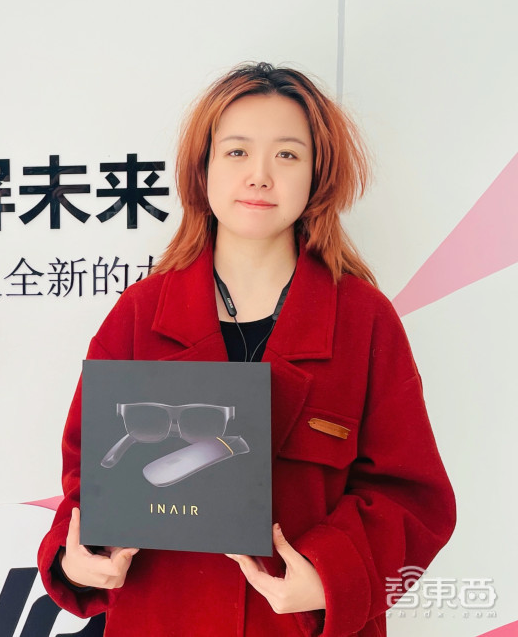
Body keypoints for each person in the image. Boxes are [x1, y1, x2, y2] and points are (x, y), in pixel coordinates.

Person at [37, 63, 456, 636]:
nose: (260, 176)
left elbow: (412, 497)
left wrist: (330, 574)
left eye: (287, 155)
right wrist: (77, 557)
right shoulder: (140, 314)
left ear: (318, 174)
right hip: (164, 618)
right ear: (202, 168)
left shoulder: (363, 318)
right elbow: (89, 478)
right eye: (236, 152)